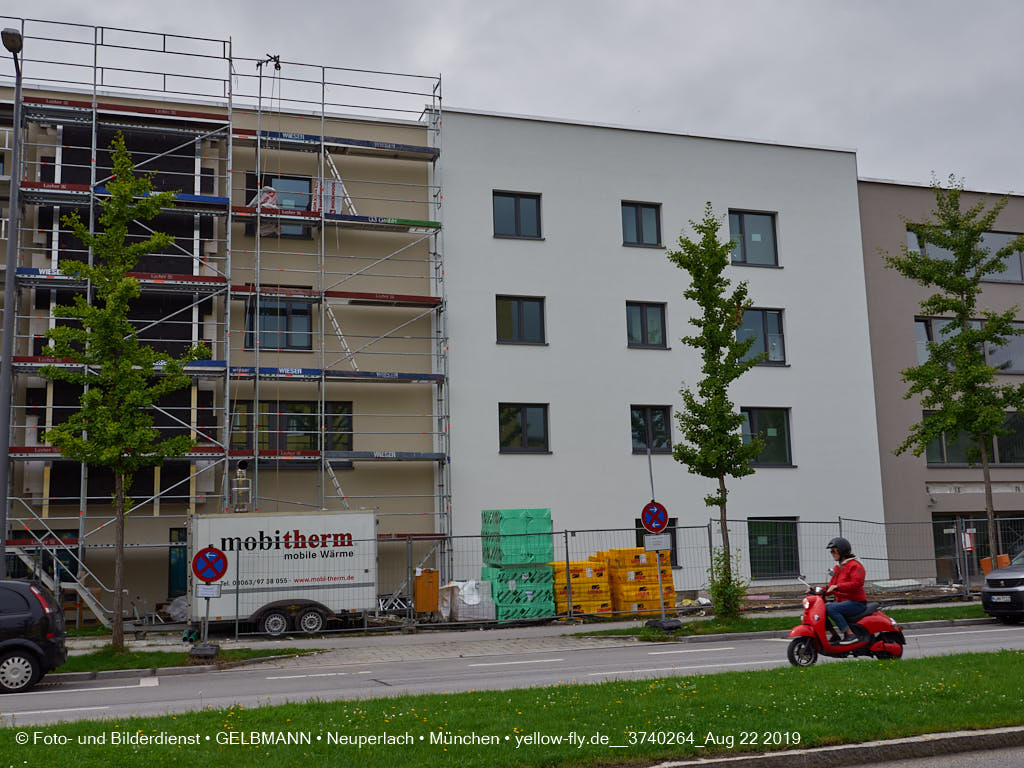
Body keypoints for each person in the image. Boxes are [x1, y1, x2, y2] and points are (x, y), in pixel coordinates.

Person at [823, 537, 867, 645]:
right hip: (843, 602)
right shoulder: (838, 568)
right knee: (822, 609)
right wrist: (816, 590)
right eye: (831, 551)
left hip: (856, 602)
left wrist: (837, 587)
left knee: (831, 608)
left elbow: (856, 584)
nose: (832, 553)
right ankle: (834, 635)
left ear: (842, 550)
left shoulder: (855, 565)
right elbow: (831, 586)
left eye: (834, 551)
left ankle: (850, 635)